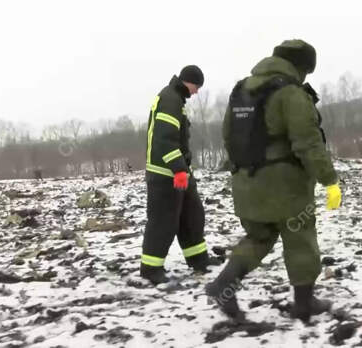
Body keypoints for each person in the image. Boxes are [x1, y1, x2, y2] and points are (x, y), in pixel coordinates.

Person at [206, 40, 342, 323]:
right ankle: (304, 304)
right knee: (300, 238)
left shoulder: (241, 90)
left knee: (260, 236)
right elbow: (308, 144)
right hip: (285, 186)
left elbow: (228, 136)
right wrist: (329, 180)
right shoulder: (290, 93)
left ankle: (224, 286)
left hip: (245, 183)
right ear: (301, 66)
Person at [141, 65, 212, 284]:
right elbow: (164, 141)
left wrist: (183, 171)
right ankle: (151, 269)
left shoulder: (175, 99)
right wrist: (179, 170)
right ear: (188, 81)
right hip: (165, 174)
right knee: (163, 221)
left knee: (191, 216)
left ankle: (198, 260)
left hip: (179, 172)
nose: (196, 92)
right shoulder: (170, 99)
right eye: (196, 87)